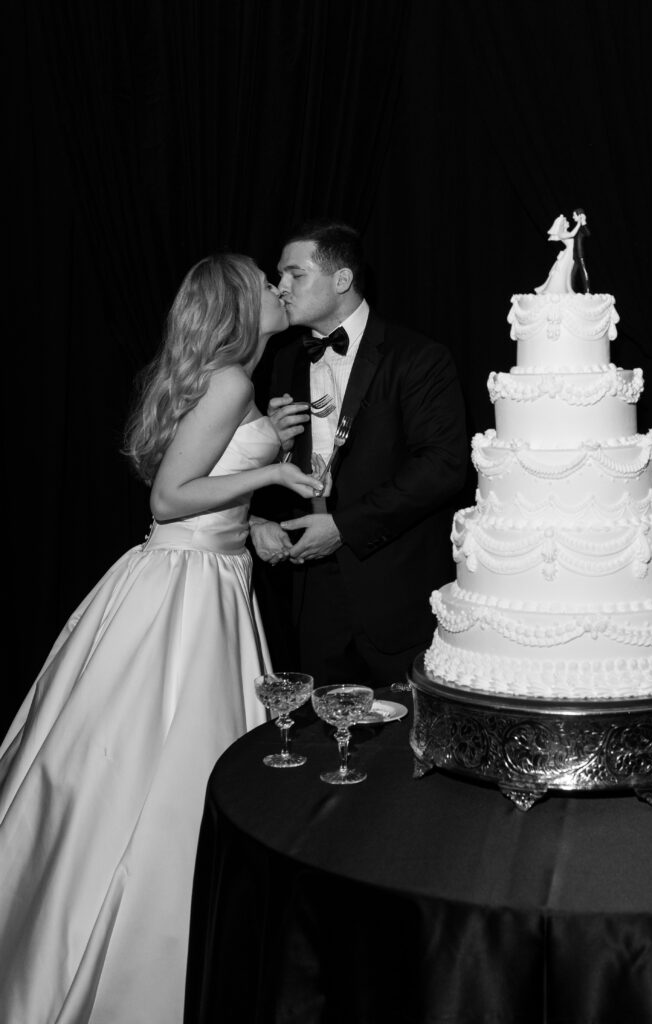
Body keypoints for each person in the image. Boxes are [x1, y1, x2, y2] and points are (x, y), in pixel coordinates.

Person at [0, 254, 321, 1024]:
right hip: (185, 598)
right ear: (240, 308)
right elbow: (172, 494)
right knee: (174, 765)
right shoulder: (232, 380)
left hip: (198, 575)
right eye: (265, 284)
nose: (279, 291)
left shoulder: (225, 380)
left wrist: (258, 519)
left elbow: (205, 489)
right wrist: (271, 476)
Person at [251, 220, 467, 688]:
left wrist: (345, 527)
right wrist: (280, 449)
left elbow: (444, 466)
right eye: (281, 276)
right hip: (314, 589)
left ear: (342, 280)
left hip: (395, 588)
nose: (281, 288)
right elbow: (292, 470)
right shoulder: (286, 360)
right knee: (324, 740)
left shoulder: (418, 357)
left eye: (295, 275)